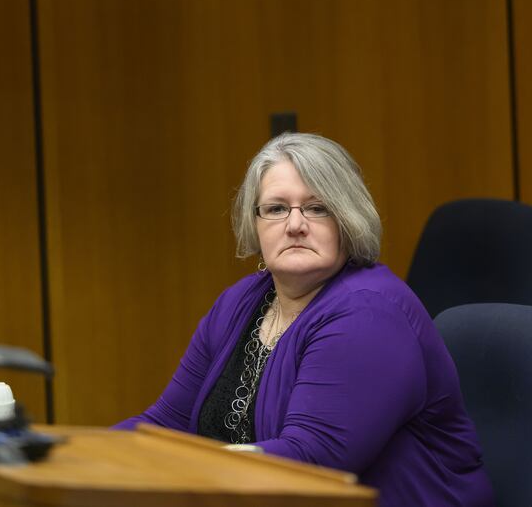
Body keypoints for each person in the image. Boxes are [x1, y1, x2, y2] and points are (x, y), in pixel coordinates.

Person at [113, 133, 494, 507]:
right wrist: (79, 456)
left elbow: (311, 461)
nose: (294, 224)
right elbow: (166, 423)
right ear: (256, 223)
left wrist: (184, 469)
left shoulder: (369, 313)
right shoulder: (240, 301)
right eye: (276, 208)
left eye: (317, 208)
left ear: (348, 218)